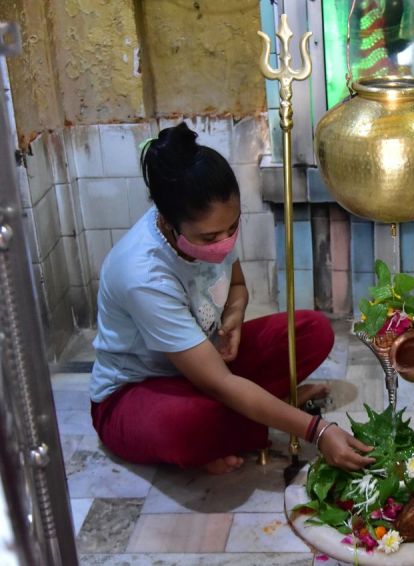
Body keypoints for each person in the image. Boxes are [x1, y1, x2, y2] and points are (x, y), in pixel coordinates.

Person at [89, 123, 374, 474]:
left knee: (313, 330)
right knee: (194, 425)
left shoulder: (211, 227)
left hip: (206, 362)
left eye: (232, 228)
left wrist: (234, 317)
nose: (223, 242)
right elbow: (218, 383)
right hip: (136, 392)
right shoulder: (143, 275)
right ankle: (252, 419)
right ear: (166, 222)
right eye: (210, 237)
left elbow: (237, 286)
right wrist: (317, 429)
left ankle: (249, 419)